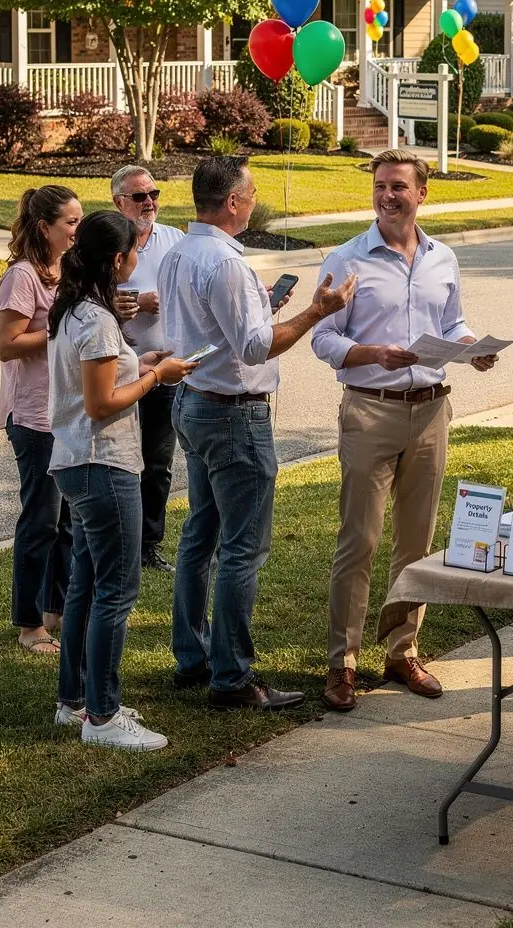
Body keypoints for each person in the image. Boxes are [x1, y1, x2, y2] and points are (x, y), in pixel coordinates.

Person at [158, 155, 356, 712]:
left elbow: (220, 329)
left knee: (201, 534)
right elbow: (252, 347)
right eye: (250, 192)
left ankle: (192, 658)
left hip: (194, 402)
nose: (254, 199)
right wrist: (317, 310)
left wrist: (262, 309)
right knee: (242, 548)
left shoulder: (178, 252)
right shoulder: (225, 263)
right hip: (231, 413)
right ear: (233, 203)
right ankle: (232, 677)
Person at [311, 148, 498, 714]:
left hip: (432, 409)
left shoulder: (444, 258)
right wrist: (371, 353)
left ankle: (402, 651)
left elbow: (453, 322)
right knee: (359, 541)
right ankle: (342, 662)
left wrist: (470, 348)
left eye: (399, 186)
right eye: (380, 186)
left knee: (416, 544)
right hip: (371, 408)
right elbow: (322, 339)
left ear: (422, 194)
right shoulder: (346, 259)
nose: (388, 195)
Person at [48, 210, 197, 750]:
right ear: (118, 259)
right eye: (135, 251)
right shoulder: (98, 320)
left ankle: (76, 702)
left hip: (79, 462)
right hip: (101, 465)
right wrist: (158, 375)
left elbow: (106, 379)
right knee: (115, 591)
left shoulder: (77, 309)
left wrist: (143, 362)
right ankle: (104, 718)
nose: (140, 259)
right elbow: (99, 402)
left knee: (86, 587)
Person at [0, 187, 82, 654]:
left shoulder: (66, 270)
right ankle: (29, 625)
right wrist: (58, 328)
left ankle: (57, 611)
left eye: (79, 220)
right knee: (40, 520)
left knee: (67, 519)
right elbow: (6, 345)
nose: (77, 229)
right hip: (32, 416)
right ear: (44, 227)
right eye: (70, 222)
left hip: (68, 410)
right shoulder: (21, 277)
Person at [111, 164, 184, 573]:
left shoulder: (174, 239)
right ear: (118, 201)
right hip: (116, 370)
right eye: (139, 196)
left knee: (158, 463)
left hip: (164, 369)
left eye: (153, 194)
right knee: (118, 463)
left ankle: (148, 546)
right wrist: (135, 303)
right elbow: (83, 298)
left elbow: (197, 288)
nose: (149, 203)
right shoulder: (104, 240)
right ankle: (118, 545)